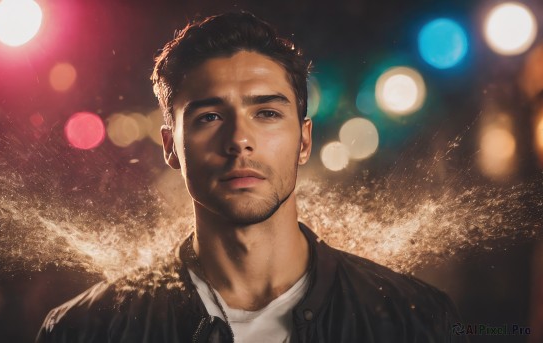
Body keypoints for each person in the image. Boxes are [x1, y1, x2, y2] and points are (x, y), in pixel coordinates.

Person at [37, 12, 465, 343]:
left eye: (267, 113)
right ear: (170, 146)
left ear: (303, 140)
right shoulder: (87, 329)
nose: (240, 139)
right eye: (209, 116)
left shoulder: (417, 321)